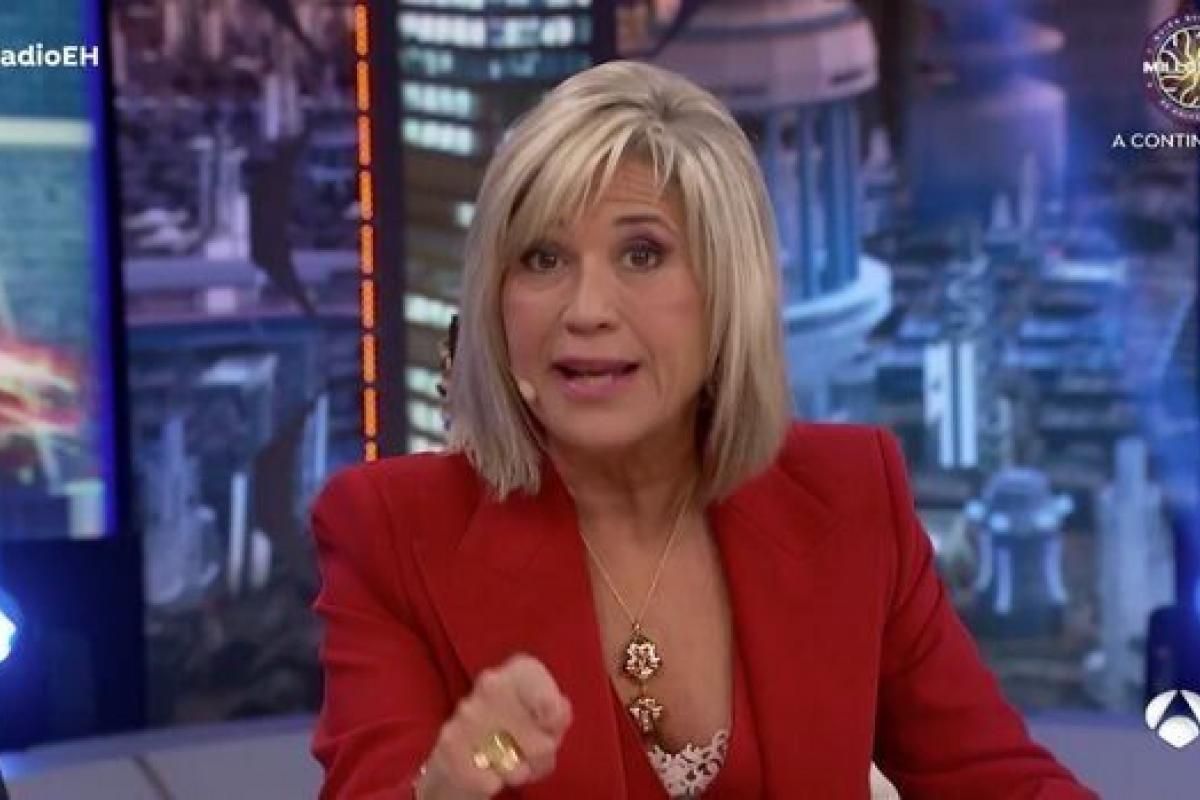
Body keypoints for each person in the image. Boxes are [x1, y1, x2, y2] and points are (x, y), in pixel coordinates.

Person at [310, 60, 1098, 799]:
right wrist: (453, 782)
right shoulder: (391, 534)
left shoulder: (852, 495)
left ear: (727, 289)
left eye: (642, 254)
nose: (585, 310)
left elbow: (1001, 782)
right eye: (543, 259)